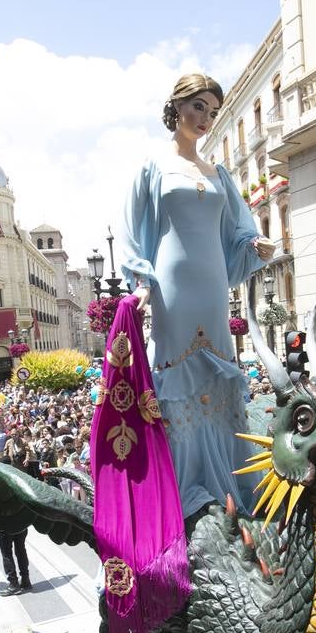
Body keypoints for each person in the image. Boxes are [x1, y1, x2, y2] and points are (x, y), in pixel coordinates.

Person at [118, 73, 275, 518]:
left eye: (212, 110)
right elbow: (131, 230)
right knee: (176, 377)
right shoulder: (152, 166)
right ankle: (183, 490)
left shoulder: (220, 174)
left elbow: (239, 229)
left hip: (212, 287)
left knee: (221, 377)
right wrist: (142, 282)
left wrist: (254, 245)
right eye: (198, 106)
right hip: (173, 289)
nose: (205, 117)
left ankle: (231, 484)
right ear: (177, 106)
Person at [0, 529, 32, 596]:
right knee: (21, 550)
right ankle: (25, 580)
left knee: (6, 553)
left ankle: (14, 584)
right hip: (21, 524)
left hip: (5, 526)